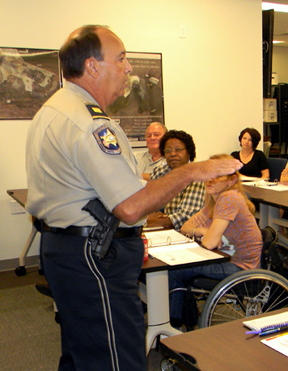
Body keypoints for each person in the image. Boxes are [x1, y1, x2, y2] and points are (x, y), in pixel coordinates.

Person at [24, 25, 242, 370]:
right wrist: (191, 172)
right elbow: (130, 206)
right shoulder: (90, 124)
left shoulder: (55, 109)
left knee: (83, 355)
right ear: (93, 66)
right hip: (95, 258)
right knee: (116, 359)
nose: (128, 69)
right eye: (122, 58)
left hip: (68, 252)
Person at [169, 154, 262, 328]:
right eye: (208, 175)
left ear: (232, 180)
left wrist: (206, 234)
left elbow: (210, 243)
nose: (210, 180)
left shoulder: (229, 198)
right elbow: (186, 227)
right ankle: (180, 317)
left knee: (175, 271)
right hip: (224, 257)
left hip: (240, 266)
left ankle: (172, 324)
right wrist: (204, 230)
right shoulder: (215, 200)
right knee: (178, 267)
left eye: (217, 176)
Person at [147, 130, 205, 231]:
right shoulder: (160, 172)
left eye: (178, 150)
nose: (173, 154)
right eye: (168, 151)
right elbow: (147, 205)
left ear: (189, 152)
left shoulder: (198, 177)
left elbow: (185, 216)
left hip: (187, 234)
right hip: (159, 230)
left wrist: (151, 221)